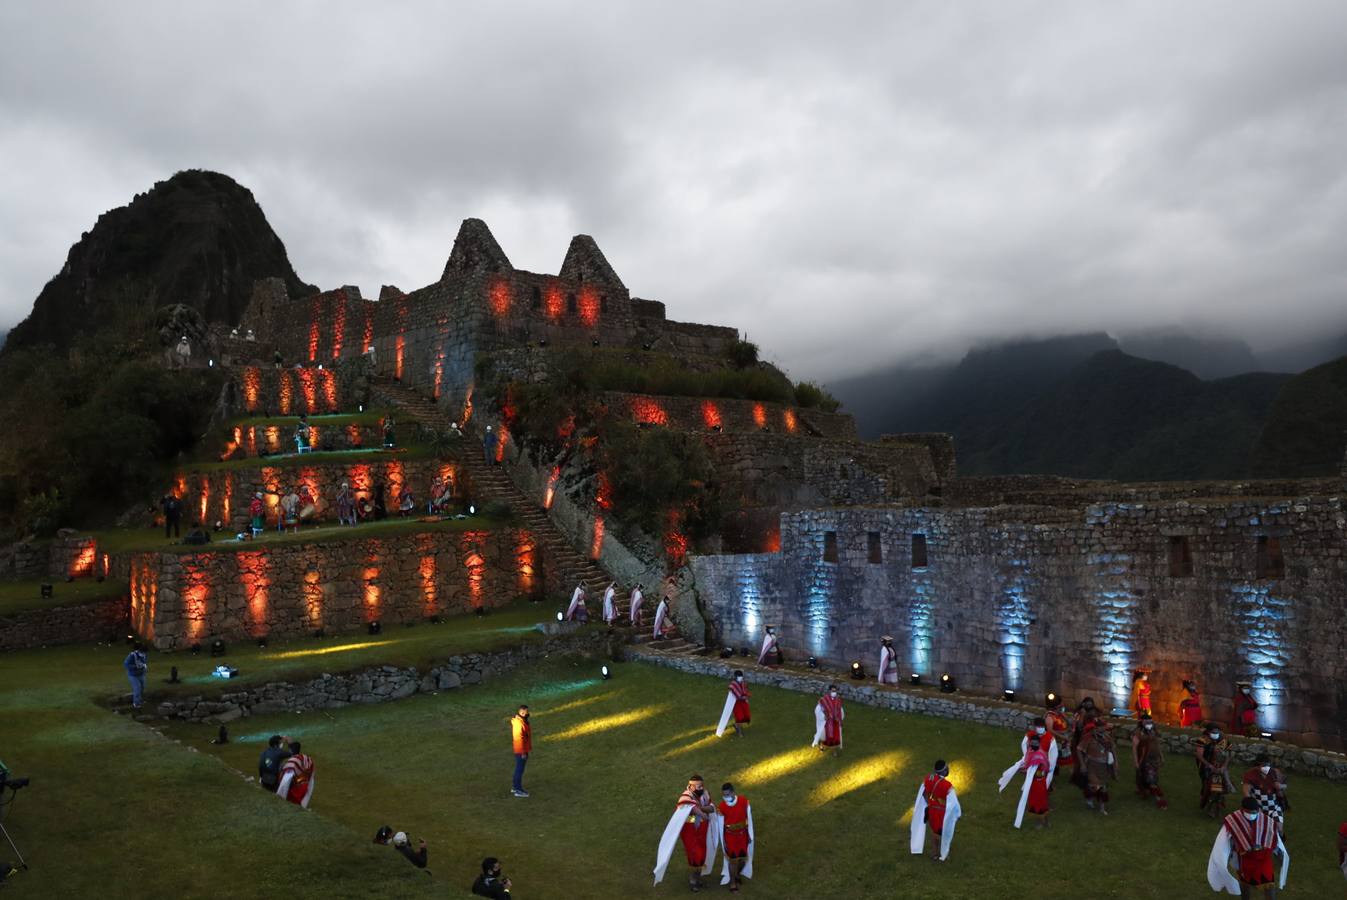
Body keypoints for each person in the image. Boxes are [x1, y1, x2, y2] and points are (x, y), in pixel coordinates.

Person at [1206, 796, 1290, 896]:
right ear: (1242, 809)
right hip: (1245, 861)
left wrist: (1280, 854)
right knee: (1245, 888)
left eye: (1253, 813)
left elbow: (1276, 840)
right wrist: (1223, 858)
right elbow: (1222, 842)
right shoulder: (1234, 821)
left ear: (1258, 810)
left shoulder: (1267, 822)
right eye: (1248, 812)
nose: (1250, 815)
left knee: (1269, 888)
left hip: (1263, 860)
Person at [653, 774, 718, 891]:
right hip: (690, 832)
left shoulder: (705, 794)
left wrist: (700, 809)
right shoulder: (685, 796)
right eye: (698, 786)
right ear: (691, 786)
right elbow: (692, 808)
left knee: (702, 854)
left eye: (702, 785)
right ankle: (693, 880)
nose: (701, 788)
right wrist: (702, 812)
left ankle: (697, 879)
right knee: (695, 855)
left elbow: (712, 807)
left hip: (703, 830)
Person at [911, 759, 962, 861]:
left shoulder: (929, 778)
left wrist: (930, 803)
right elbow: (954, 803)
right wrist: (957, 814)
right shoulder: (947, 786)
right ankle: (944, 853)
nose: (948, 769)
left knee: (934, 832)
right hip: (942, 813)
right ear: (943, 771)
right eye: (947, 767)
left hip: (932, 810)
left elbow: (924, 793)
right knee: (944, 833)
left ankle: (934, 853)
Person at [998, 734, 1052, 828]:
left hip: (1039, 782)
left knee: (1040, 802)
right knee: (1034, 801)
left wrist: (1026, 771)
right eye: (1032, 743)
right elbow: (1028, 765)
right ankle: (1041, 821)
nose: (1033, 745)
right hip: (1033, 783)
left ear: (1039, 743)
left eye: (1035, 743)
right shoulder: (1031, 752)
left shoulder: (1040, 755)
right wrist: (1020, 769)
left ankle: (1044, 822)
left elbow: (1043, 769)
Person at [716, 783, 754, 892]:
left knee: (742, 859)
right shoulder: (722, 807)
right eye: (723, 795)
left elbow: (748, 817)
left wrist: (749, 834)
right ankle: (732, 883)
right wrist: (723, 841)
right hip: (730, 837)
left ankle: (736, 874)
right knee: (733, 861)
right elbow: (720, 825)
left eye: (727, 794)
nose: (725, 797)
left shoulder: (743, 801)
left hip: (742, 835)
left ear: (733, 792)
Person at [1077, 720, 1116, 815]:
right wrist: (1082, 764)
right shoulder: (1088, 738)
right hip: (1092, 765)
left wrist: (1116, 763)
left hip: (1104, 766)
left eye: (1105, 726)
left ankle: (1102, 808)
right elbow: (1079, 749)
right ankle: (1089, 797)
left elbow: (1112, 749)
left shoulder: (1107, 737)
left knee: (1103, 787)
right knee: (1094, 786)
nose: (1104, 728)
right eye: (1102, 727)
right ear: (1097, 728)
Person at [1242, 754, 1288, 832]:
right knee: (1257, 830)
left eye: (1267, 764)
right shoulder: (1250, 774)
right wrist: (1253, 807)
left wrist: (1280, 786)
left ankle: (1280, 841)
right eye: (1263, 765)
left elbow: (1285, 785)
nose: (1266, 767)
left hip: (1274, 808)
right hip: (1258, 807)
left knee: (1279, 829)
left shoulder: (1275, 772)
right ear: (1258, 765)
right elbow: (1246, 792)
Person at [1197, 723, 1235, 818]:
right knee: (1207, 785)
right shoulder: (1203, 740)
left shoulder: (1223, 741)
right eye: (1214, 732)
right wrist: (1209, 765)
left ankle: (1214, 806)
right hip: (1206, 767)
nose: (1216, 733)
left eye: (1217, 732)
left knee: (1218, 787)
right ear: (1209, 732)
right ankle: (1207, 802)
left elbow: (1229, 754)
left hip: (1220, 767)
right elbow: (1199, 755)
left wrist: (1224, 766)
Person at [1133, 715, 1168, 809]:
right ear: (1142, 722)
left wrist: (1161, 756)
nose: (1148, 723)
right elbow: (1135, 748)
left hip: (1155, 759)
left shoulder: (1154, 731)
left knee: (1152, 777)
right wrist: (1136, 762)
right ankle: (1159, 800)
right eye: (1146, 721)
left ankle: (1145, 789)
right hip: (1145, 759)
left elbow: (1157, 744)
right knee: (1151, 779)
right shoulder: (1138, 733)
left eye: (1150, 721)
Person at [1020, 717, 1060, 785]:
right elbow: (1024, 745)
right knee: (1031, 780)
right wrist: (1027, 757)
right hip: (1032, 761)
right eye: (1037, 726)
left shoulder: (1050, 738)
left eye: (1041, 726)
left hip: (1044, 763)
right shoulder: (1030, 734)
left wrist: (1048, 765)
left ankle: (1046, 785)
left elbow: (1053, 755)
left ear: (1044, 726)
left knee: (1042, 780)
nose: (1039, 728)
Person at [276, 740, 315, 808]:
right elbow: (311, 777)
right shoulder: (306, 758)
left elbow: (285, 781)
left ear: (290, 751)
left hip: (296, 789)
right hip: (305, 786)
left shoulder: (292, 761)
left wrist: (280, 795)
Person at [715, 671, 751, 738]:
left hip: (743, 702)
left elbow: (745, 690)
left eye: (741, 676)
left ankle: (736, 726)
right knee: (739, 717)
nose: (740, 678)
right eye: (739, 676)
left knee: (745, 716)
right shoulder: (732, 685)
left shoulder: (743, 683)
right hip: (736, 703)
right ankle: (739, 731)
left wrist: (746, 696)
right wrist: (743, 697)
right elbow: (735, 694)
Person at [812, 685, 844, 753]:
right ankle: (822, 746)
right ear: (829, 691)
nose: (834, 692)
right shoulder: (824, 699)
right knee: (824, 735)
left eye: (835, 691)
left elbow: (839, 710)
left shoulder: (838, 700)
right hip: (827, 722)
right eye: (833, 691)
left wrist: (839, 719)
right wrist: (823, 716)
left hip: (835, 721)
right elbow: (819, 709)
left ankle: (834, 750)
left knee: (835, 736)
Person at [1045, 696, 1071, 781]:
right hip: (1055, 742)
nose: (1063, 704)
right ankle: (1048, 776)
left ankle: (1054, 771)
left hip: (1062, 741)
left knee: (1058, 759)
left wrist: (1063, 714)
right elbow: (1050, 730)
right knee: (1052, 758)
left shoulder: (1059, 714)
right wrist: (1062, 737)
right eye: (1061, 703)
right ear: (1057, 705)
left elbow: (1069, 722)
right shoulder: (1049, 716)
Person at [510, 704, 531, 798]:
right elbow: (519, 738)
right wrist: (523, 752)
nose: (527, 713)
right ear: (521, 712)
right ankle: (518, 790)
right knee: (519, 769)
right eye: (525, 712)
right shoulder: (519, 723)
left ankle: (515, 787)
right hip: (521, 750)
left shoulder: (521, 721)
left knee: (519, 769)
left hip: (521, 749)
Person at [123, 642, 148, 709]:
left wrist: (144, 667)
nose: (144, 653)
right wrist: (135, 666)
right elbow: (126, 664)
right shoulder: (132, 655)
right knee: (137, 688)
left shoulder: (145, 655)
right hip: (133, 675)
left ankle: (140, 700)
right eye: (143, 652)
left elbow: (144, 662)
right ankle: (136, 703)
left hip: (141, 674)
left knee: (142, 687)